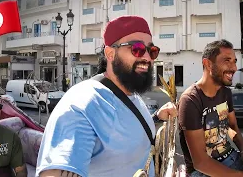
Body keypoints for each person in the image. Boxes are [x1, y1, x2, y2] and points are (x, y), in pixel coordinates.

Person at [36, 16, 177, 177]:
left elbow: (120, 132)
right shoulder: (82, 103)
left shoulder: (132, 95)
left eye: (152, 51)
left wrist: (156, 118)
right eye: (137, 48)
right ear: (110, 53)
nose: (146, 57)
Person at [178, 39, 243, 177]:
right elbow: (201, 163)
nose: (234, 68)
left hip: (233, 157)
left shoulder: (225, 92)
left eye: (234, 61)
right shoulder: (190, 100)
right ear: (207, 64)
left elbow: (232, 126)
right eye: (227, 60)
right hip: (205, 172)